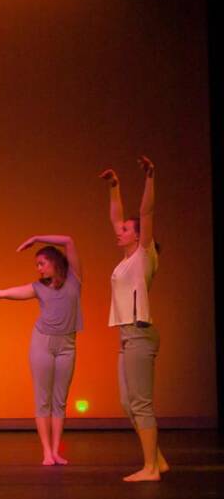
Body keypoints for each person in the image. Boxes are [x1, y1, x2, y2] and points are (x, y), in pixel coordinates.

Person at [0, 235, 82, 465]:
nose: (38, 269)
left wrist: (36, 238)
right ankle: (47, 453)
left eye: (41, 264)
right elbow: (4, 293)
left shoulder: (74, 279)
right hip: (42, 343)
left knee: (60, 401)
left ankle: (57, 451)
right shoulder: (38, 288)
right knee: (43, 400)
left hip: (67, 345)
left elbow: (69, 241)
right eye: (36, 265)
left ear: (55, 263)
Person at [100, 156, 168, 481]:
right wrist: (115, 188)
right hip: (126, 335)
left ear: (139, 237)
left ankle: (151, 468)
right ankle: (156, 458)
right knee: (127, 403)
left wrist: (150, 179)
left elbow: (146, 213)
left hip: (140, 333)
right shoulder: (125, 260)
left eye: (127, 229)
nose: (120, 231)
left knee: (141, 403)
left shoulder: (144, 256)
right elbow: (116, 216)